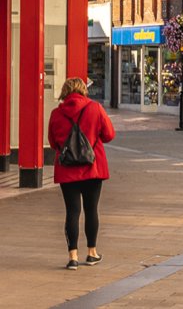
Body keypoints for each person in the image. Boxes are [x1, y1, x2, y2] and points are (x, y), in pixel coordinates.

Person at [47, 77, 115, 270]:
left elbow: (53, 143)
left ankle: (73, 257)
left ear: (64, 91)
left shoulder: (56, 114)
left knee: (72, 211)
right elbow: (109, 135)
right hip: (92, 168)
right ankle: (92, 253)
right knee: (91, 210)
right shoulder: (95, 108)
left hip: (67, 170)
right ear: (83, 90)